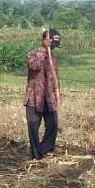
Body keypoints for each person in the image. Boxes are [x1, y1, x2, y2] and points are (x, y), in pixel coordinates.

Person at [25, 29, 62, 160]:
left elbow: (55, 79)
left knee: (53, 124)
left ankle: (44, 148)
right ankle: (36, 154)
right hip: (34, 97)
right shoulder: (33, 54)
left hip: (49, 98)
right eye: (51, 45)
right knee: (33, 125)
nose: (52, 49)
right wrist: (43, 51)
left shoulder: (54, 59)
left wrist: (58, 95)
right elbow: (35, 66)